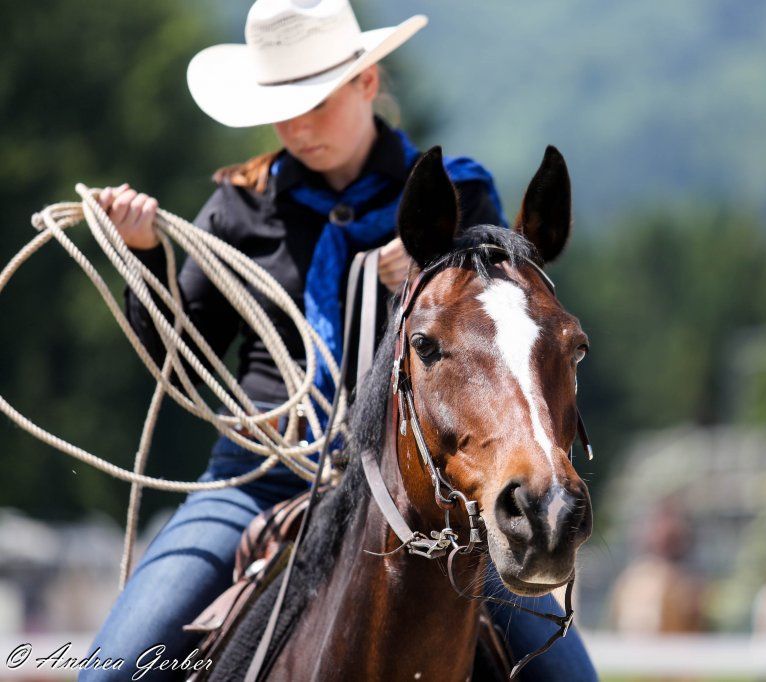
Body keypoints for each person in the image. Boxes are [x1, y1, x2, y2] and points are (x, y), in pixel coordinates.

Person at [84, 1, 597, 680]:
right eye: (282, 107)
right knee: (112, 670)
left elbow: (495, 328)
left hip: (419, 494)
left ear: (366, 83)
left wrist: (425, 275)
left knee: (570, 677)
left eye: (317, 103)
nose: (298, 127)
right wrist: (145, 255)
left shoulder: (459, 196)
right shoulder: (242, 206)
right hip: (257, 479)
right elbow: (177, 355)